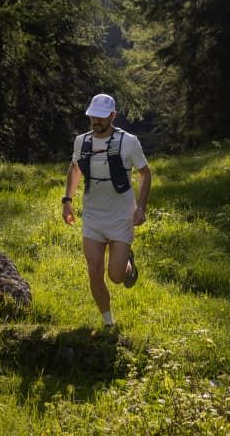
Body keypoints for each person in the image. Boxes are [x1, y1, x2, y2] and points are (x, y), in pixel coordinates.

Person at [62, 94, 151, 327]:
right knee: (94, 269)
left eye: (101, 117)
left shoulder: (129, 142)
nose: (96, 121)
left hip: (121, 216)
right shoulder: (81, 142)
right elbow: (75, 168)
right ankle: (108, 322)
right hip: (93, 216)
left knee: (116, 276)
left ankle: (127, 265)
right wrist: (67, 200)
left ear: (113, 116)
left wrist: (140, 207)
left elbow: (145, 173)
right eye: (93, 116)